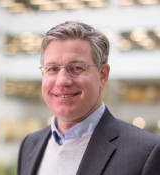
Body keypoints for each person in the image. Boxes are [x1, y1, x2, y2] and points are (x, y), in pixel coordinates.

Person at [17, 21, 160, 175]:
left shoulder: (146, 153)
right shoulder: (30, 145)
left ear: (103, 75)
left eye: (76, 68)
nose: (62, 80)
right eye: (52, 69)